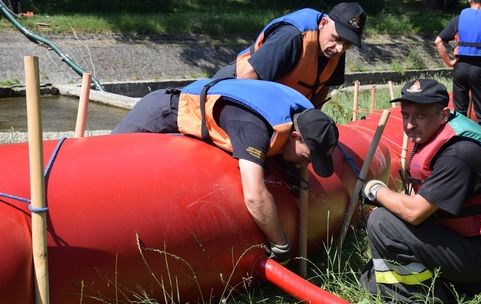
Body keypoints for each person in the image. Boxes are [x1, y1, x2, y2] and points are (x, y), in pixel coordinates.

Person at [111, 78, 339, 264]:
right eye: (308, 157)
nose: (306, 165)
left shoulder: (305, 115)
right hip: (165, 109)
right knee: (111, 156)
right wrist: (281, 244)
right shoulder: (254, 129)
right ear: (296, 136)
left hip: (230, 110)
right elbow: (254, 196)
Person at [360, 79, 481, 303]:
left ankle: (421, 298)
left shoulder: (458, 153)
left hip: (475, 254)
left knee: (381, 221)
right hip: (460, 241)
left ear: (443, 114)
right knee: (370, 278)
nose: (410, 124)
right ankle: (459, 287)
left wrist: (374, 189)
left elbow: (413, 213)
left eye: (420, 115)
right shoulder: (435, 134)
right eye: (406, 115)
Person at [212, 2, 366, 108]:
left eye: (347, 44)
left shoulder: (335, 49)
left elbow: (323, 87)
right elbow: (245, 78)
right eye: (337, 38)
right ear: (324, 23)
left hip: (277, 104)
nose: (340, 48)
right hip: (229, 88)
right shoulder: (292, 37)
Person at [434, 0, 481, 138]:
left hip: (460, 67)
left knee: (459, 110)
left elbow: (438, 41)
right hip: (480, 68)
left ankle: (459, 142)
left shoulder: (459, 18)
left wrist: (449, 62)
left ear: (469, 0)